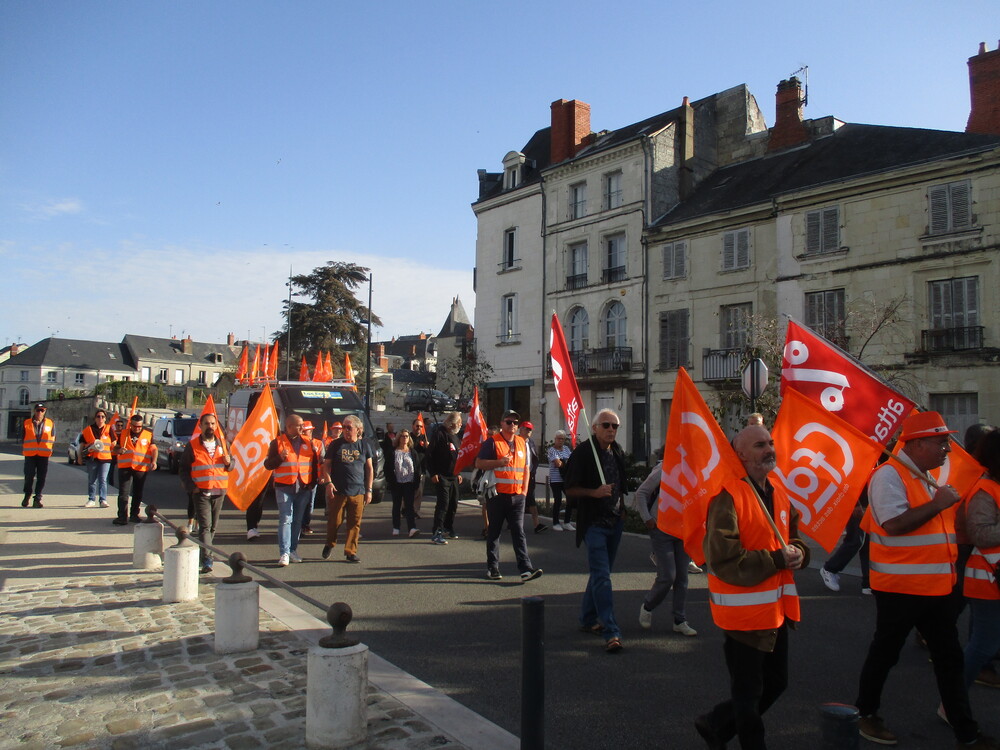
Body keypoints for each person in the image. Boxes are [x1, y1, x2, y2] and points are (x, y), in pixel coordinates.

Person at [854, 411, 996, 748]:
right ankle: (865, 713)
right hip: (900, 589)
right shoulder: (888, 475)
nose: (947, 449)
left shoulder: (925, 475)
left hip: (935, 587)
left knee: (950, 660)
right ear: (917, 444)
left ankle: (966, 732)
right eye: (941, 442)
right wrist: (938, 504)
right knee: (885, 654)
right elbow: (894, 524)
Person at [695, 424, 808, 750]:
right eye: (759, 445)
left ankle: (715, 723)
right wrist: (776, 559)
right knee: (748, 697)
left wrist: (800, 552)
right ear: (740, 454)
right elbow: (723, 559)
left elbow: (793, 536)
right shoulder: (727, 496)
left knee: (775, 684)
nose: (769, 449)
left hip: (775, 613)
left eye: (770, 442)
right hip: (743, 617)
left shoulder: (778, 491)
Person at [563, 409, 628, 653]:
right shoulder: (583, 453)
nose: (611, 430)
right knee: (602, 576)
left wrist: (622, 509)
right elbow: (570, 489)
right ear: (594, 428)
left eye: (615, 426)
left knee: (602, 573)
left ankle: (587, 618)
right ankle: (611, 631)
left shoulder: (617, 451)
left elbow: (621, 483)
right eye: (606, 425)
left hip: (615, 522)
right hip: (594, 524)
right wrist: (594, 492)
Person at [475, 410, 542, 582]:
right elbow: (479, 463)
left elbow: (526, 469)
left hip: (517, 496)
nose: (513, 425)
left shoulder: (522, 443)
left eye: (515, 422)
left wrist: (524, 491)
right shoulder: (492, 442)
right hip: (497, 495)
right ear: (502, 423)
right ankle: (493, 567)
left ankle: (525, 569)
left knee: (518, 532)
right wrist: (499, 462)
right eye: (509, 422)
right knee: (494, 532)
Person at [635, 455, 697, 637]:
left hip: (683, 530)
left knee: (682, 578)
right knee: (668, 576)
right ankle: (648, 605)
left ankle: (679, 620)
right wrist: (647, 518)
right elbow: (641, 492)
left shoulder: (695, 471)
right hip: (662, 530)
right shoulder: (664, 468)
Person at [961, 429, 1000, 695]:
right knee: (983, 645)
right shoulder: (985, 489)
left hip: (992, 575)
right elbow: (980, 535)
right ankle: (953, 700)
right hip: (987, 580)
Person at [264, 414, 326, 566]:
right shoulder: (277, 443)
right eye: (299, 425)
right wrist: (280, 457)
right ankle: (284, 553)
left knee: (297, 521)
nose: (302, 427)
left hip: (303, 488)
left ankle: (293, 550)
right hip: (284, 487)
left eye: (302, 425)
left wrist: (313, 483)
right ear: (289, 426)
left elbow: (314, 464)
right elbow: (268, 464)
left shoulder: (308, 442)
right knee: (286, 519)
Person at [179, 413, 233, 575]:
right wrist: (191, 487)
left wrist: (229, 463)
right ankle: (207, 559)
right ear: (201, 426)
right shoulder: (192, 445)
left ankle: (205, 552)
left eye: (213, 424)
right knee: (205, 526)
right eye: (207, 424)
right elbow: (183, 469)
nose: (210, 426)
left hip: (219, 490)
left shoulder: (223, 443)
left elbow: (231, 464)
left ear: (216, 426)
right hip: (201, 491)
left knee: (213, 527)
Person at [322, 414, 373, 564]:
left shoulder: (364, 445)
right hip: (338, 491)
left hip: (358, 491)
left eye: (349, 427)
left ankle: (350, 552)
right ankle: (330, 543)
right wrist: (328, 483)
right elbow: (326, 465)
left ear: (358, 429)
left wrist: (369, 490)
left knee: (354, 523)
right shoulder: (336, 445)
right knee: (334, 522)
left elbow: (369, 468)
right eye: (344, 427)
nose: (345, 430)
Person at [111, 414, 157, 525]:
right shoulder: (123, 434)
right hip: (125, 467)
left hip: (140, 467)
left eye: (139, 426)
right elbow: (115, 448)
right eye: (135, 426)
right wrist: (119, 450)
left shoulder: (148, 435)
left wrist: (154, 461)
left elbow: (154, 449)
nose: (137, 428)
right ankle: (122, 517)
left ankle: (134, 515)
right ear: (130, 424)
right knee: (123, 493)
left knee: (137, 492)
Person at [427, 411, 464, 545]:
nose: (461, 425)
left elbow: (457, 456)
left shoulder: (455, 437)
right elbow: (429, 455)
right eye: (459, 423)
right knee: (443, 503)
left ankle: (448, 527)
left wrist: (458, 473)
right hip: (441, 476)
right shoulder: (439, 434)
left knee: (453, 503)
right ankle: (437, 531)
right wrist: (433, 473)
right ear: (452, 423)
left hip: (453, 476)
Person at [21, 403, 54, 508]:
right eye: (38, 410)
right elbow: (23, 437)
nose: (40, 412)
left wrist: (50, 449)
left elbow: (52, 437)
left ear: (45, 411)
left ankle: (37, 499)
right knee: (29, 476)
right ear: (34, 411)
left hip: (43, 454)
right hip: (30, 454)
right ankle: (27, 494)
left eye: (42, 410)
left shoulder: (50, 423)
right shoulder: (26, 423)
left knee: (41, 477)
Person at [79, 409, 113, 508]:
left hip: (105, 459)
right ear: (95, 418)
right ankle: (91, 499)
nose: (100, 418)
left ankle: (103, 500)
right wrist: (80, 457)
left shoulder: (109, 429)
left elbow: (114, 443)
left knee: (103, 479)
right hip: (92, 458)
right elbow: (82, 444)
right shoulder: (88, 429)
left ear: (105, 418)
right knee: (92, 480)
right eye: (98, 416)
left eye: (103, 416)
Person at [390, 430, 420, 537]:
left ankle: (412, 528)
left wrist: (416, 482)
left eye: (407, 436)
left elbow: (417, 468)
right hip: (397, 483)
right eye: (402, 436)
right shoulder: (393, 452)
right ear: (399, 438)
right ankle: (396, 527)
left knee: (409, 506)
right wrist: (391, 481)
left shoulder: (412, 452)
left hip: (409, 482)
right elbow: (388, 468)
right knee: (396, 505)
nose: (405, 438)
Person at [519, 421, 548, 533]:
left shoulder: (530, 442)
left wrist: (533, 471)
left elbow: (534, 457)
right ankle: (512, 521)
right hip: (517, 475)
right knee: (515, 499)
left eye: (530, 429)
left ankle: (537, 524)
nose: (528, 431)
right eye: (526, 429)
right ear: (520, 429)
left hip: (530, 475)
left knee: (531, 498)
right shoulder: (515, 441)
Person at [298, 421, 324, 535]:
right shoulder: (297, 443)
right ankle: (298, 525)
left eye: (305, 431)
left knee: (309, 503)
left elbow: (323, 461)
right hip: (299, 479)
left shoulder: (318, 443)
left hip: (313, 478)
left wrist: (322, 475)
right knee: (299, 502)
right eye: (302, 431)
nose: (303, 433)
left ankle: (305, 525)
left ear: (311, 431)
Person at [547, 430, 574, 531]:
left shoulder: (566, 449)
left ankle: (567, 522)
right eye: (559, 439)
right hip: (555, 480)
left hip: (566, 479)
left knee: (570, 498)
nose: (560, 441)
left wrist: (564, 462)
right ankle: (556, 522)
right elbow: (557, 463)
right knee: (558, 500)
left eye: (562, 439)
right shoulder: (551, 450)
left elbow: (572, 461)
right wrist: (566, 462)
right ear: (555, 439)